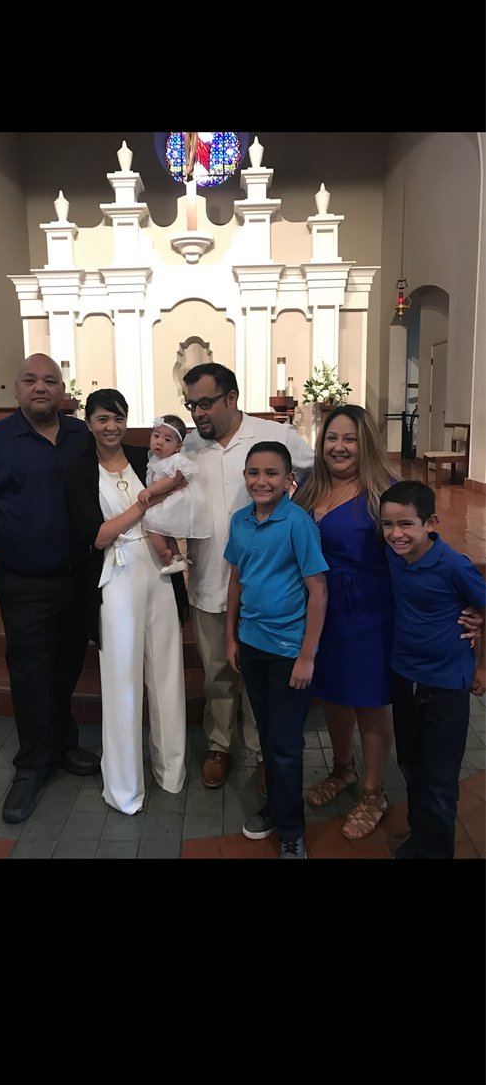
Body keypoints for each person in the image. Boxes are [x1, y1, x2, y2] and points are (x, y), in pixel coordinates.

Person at [293, 405, 482, 840]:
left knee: (369, 700)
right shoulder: (307, 485)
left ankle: (374, 792)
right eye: (332, 438)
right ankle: (344, 769)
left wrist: (463, 603)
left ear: (367, 444)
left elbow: (423, 546)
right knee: (335, 694)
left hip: (370, 613)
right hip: (321, 611)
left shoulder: (384, 490)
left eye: (350, 439)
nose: (339, 448)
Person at [0, 354, 99, 825]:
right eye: (31, 380)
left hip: (79, 578)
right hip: (25, 581)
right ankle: (31, 766)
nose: (40, 388)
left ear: (62, 390)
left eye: (50, 381)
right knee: (30, 672)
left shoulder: (82, 438)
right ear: (17, 387)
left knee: (67, 664)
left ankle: (63, 745)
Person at [181, 362, 314, 790]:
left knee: (259, 678)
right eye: (191, 405)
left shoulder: (276, 437)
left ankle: (260, 750)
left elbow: (314, 474)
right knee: (217, 672)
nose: (197, 413)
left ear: (231, 398)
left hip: (264, 590)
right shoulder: (186, 447)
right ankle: (219, 744)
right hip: (207, 579)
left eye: (205, 403)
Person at [65, 389, 188, 816]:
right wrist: (145, 505)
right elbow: (97, 536)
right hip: (115, 576)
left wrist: (162, 517)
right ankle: (124, 786)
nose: (111, 427)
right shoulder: (79, 469)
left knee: (168, 671)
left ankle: (171, 771)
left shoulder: (145, 456)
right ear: (89, 423)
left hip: (159, 571)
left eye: (117, 418)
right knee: (122, 680)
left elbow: (177, 493)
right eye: (102, 419)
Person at [225, 443, 328, 858]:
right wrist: (232, 636)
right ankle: (277, 806)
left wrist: (306, 655)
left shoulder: (297, 522)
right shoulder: (239, 521)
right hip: (252, 645)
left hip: (289, 651)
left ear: (289, 480)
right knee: (267, 734)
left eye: (271, 473)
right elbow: (236, 579)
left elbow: (317, 591)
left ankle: (291, 829)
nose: (261, 481)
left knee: (285, 742)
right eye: (253, 472)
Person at [380, 480, 486, 859]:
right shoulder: (394, 556)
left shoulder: (454, 565)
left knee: (439, 779)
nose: (396, 533)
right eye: (388, 524)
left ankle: (436, 851)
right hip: (404, 676)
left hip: (445, 685)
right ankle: (422, 837)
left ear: (431, 522)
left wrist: (482, 666)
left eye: (406, 524)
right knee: (410, 764)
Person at [138, 414, 210, 574]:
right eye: (156, 436)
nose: (159, 442)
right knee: (164, 529)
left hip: (176, 498)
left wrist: (149, 490)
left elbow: (171, 481)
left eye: (167, 440)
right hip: (166, 499)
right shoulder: (158, 459)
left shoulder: (176, 460)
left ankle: (165, 554)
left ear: (178, 447)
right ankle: (176, 558)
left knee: (152, 522)